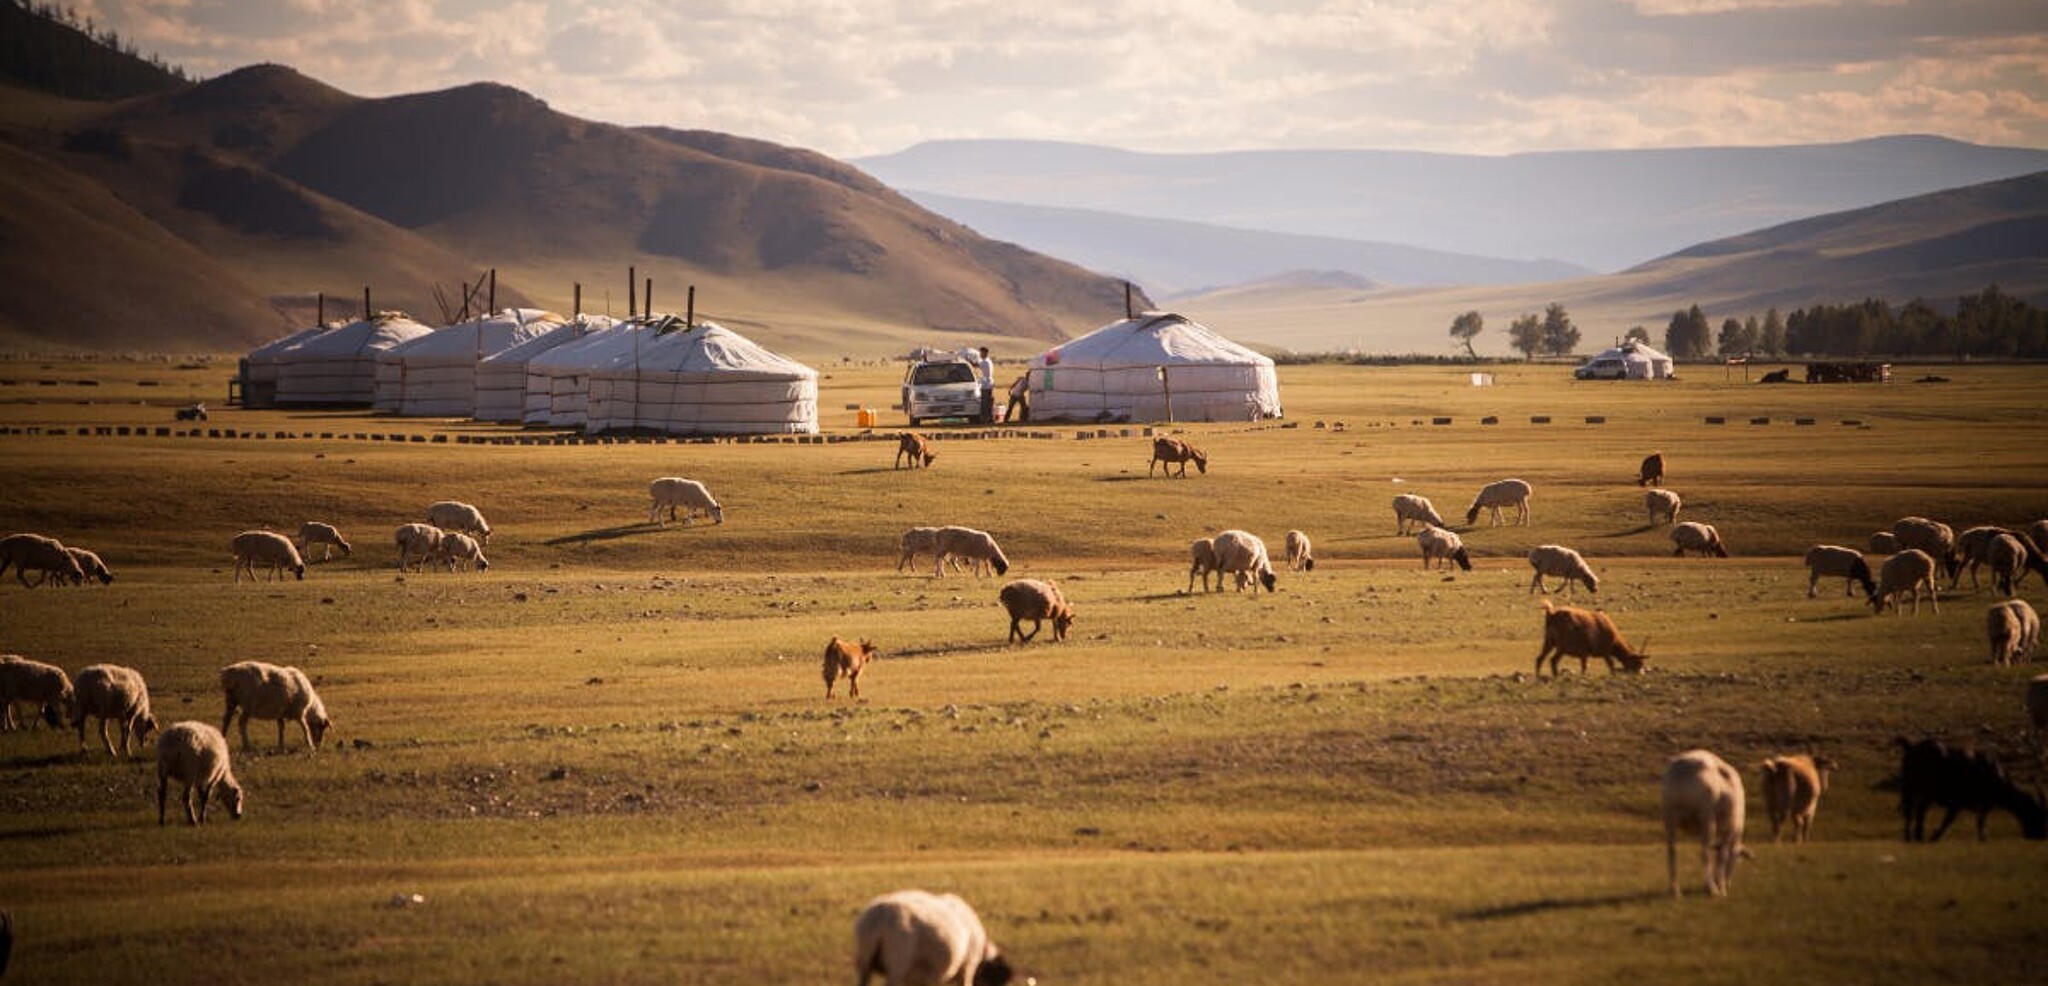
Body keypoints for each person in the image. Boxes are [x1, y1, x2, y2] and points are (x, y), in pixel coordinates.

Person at [976, 346, 995, 423]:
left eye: (981, 352)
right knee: (988, 402)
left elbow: (976, 366)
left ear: (984, 352)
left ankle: (985, 419)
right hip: (989, 384)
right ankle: (989, 418)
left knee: (985, 403)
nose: (980, 354)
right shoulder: (989, 361)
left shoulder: (984, 362)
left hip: (985, 384)